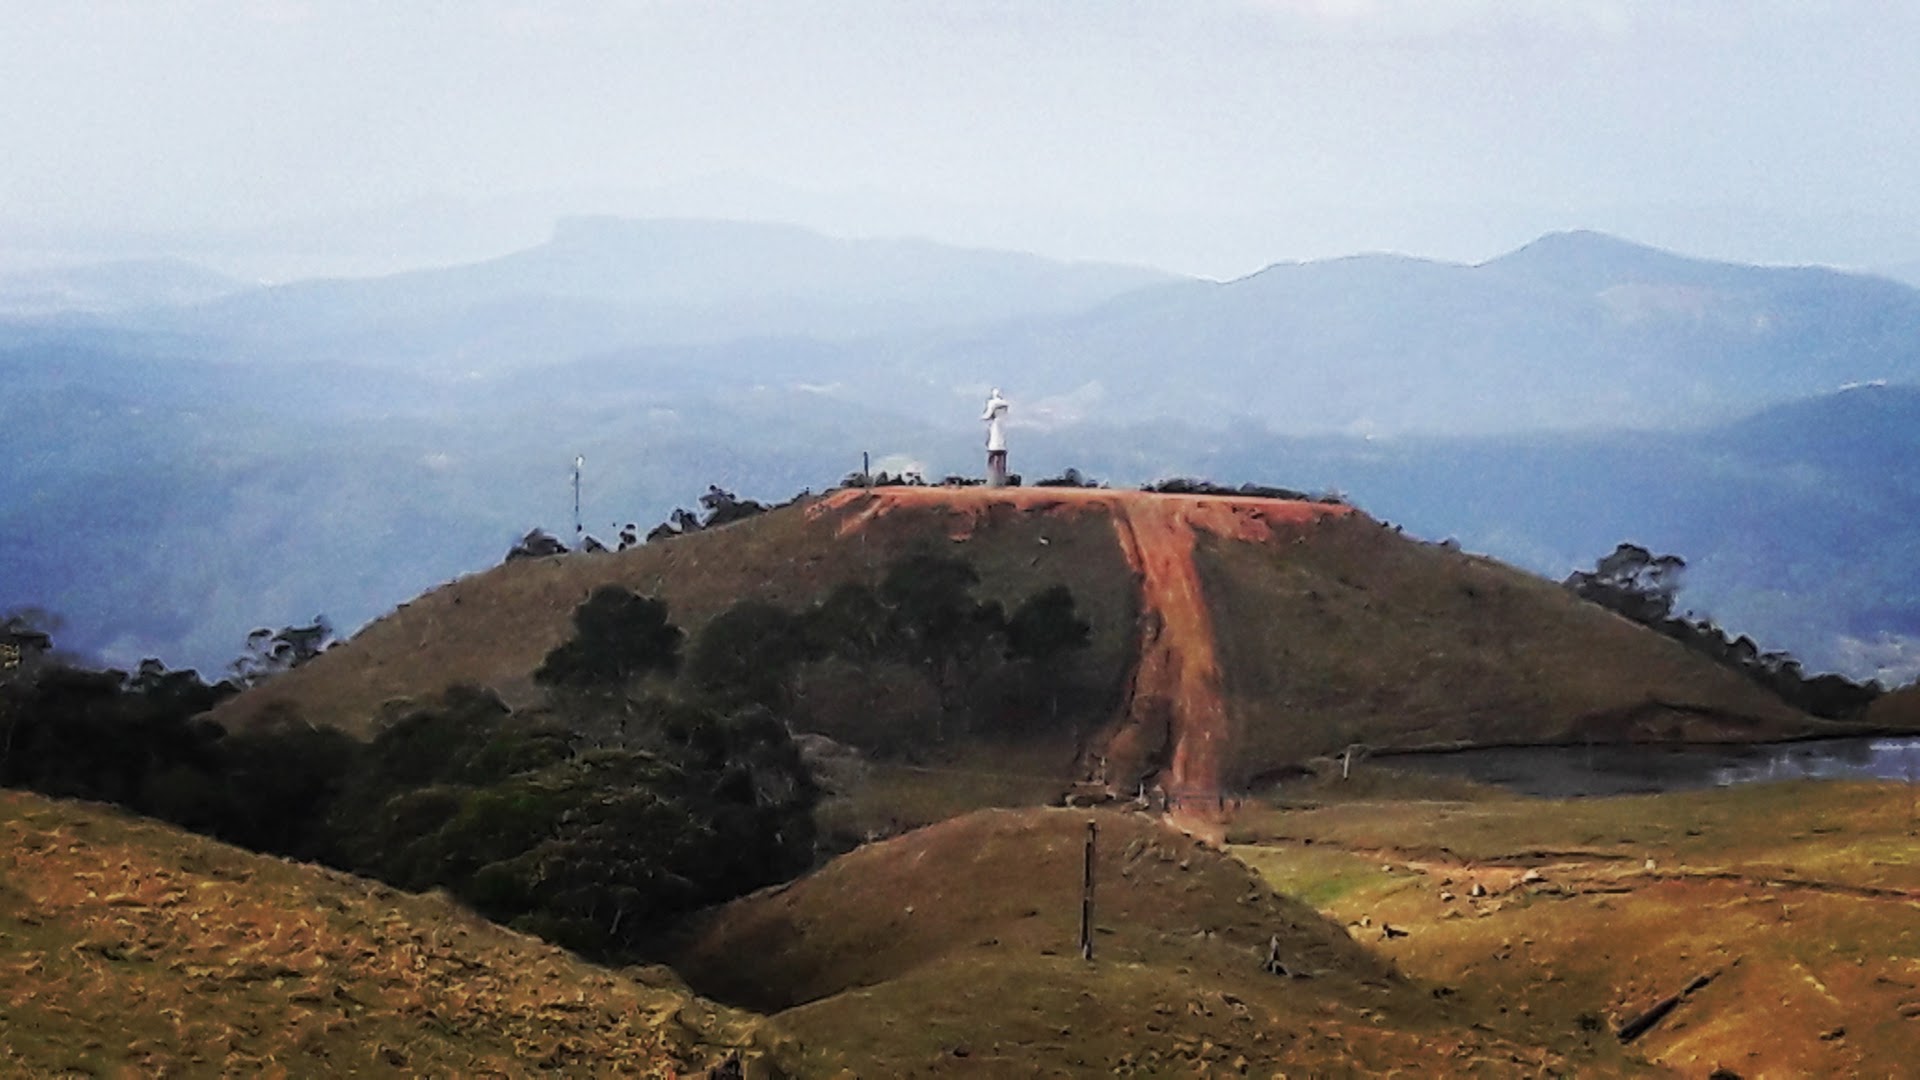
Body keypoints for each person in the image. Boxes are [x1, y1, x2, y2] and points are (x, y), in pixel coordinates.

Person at [982, 387, 1010, 486]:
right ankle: (1001, 479)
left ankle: (992, 479)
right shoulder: (1005, 404)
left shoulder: (992, 403)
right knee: (1001, 458)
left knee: (992, 456)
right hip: (1002, 434)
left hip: (994, 435)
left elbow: (987, 415)